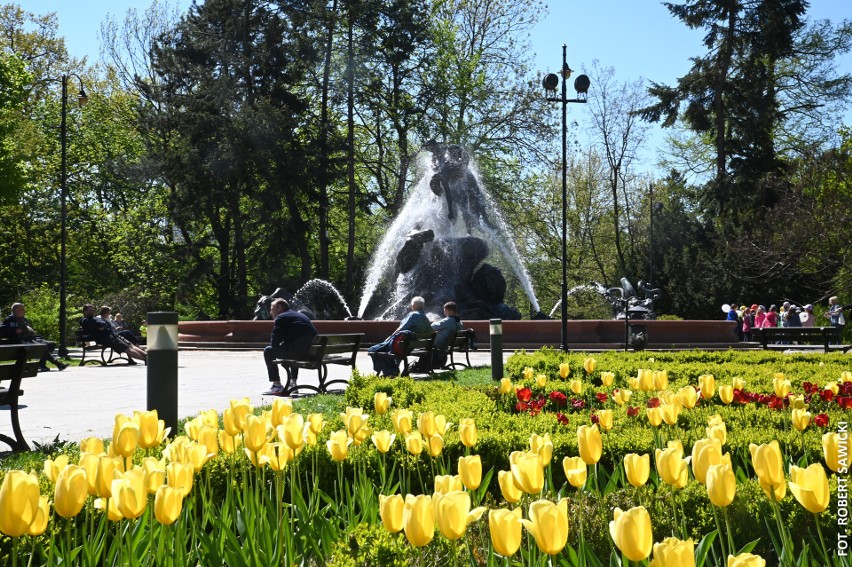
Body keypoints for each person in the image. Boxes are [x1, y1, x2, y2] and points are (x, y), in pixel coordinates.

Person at [262, 299, 318, 396]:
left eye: (272, 309)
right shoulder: (300, 315)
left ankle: (277, 385)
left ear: (279, 308)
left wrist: (277, 345)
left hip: (300, 354)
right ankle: (293, 383)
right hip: (314, 354)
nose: (270, 312)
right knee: (293, 349)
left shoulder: (281, 317)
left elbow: (274, 343)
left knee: (268, 351)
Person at [368, 296, 432, 376]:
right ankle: (392, 370)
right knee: (383, 349)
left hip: (400, 346)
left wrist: (389, 337)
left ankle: (390, 371)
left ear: (414, 306)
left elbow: (401, 328)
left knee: (373, 349)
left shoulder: (412, 315)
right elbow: (430, 332)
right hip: (409, 346)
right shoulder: (426, 319)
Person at [0, 303, 68, 372]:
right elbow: (2, 329)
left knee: (51, 344)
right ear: (17, 310)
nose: (24, 311)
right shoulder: (9, 319)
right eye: (22, 309)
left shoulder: (24, 319)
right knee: (42, 346)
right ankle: (58, 364)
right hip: (22, 342)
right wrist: (14, 330)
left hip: (31, 339)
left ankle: (41, 364)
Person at [81, 304, 147, 364]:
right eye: (90, 310)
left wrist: (105, 325)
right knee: (127, 348)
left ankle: (147, 356)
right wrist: (104, 325)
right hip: (106, 339)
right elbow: (101, 327)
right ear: (85, 311)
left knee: (130, 345)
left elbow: (103, 325)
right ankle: (146, 359)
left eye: (92, 310)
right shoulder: (85, 320)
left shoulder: (94, 318)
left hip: (112, 335)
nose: (92, 311)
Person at [412, 301, 463, 371]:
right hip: (445, 345)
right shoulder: (459, 322)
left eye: (445, 310)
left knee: (425, 343)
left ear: (451, 311)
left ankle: (421, 365)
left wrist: (434, 322)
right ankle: (427, 364)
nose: (444, 313)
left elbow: (432, 327)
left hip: (438, 345)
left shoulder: (449, 320)